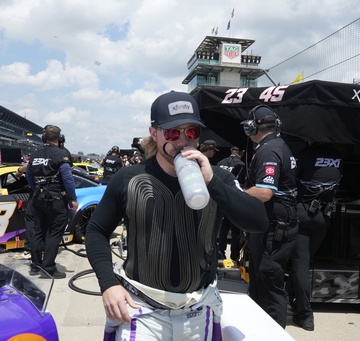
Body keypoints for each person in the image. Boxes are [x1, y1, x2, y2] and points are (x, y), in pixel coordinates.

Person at [85, 91, 268, 341]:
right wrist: (108, 283)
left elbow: (258, 222)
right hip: (143, 307)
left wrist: (213, 183)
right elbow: (96, 230)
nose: (183, 141)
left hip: (197, 307)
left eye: (191, 132)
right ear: (154, 133)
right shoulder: (128, 179)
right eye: (173, 133)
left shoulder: (219, 178)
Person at [242, 104, 299, 328]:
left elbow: (265, 192)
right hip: (274, 227)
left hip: (272, 231)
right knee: (260, 285)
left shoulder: (268, 150)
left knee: (269, 287)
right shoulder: (278, 145)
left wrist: (234, 195)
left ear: (252, 127)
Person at [286, 140, 342, 331]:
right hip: (323, 217)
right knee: (304, 262)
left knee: (300, 264)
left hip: (303, 215)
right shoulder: (337, 156)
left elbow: (290, 182)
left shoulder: (303, 154)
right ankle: (288, 296)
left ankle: (305, 315)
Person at [25, 125, 79, 279]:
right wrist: (73, 198)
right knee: (54, 233)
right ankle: (48, 267)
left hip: (38, 198)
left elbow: (28, 175)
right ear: (59, 138)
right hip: (55, 199)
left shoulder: (34, 154)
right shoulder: (61, 154)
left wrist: (37, 188)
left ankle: (35, 265)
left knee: (38, 231)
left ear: (44, 138)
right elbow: (68, 179)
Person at [217, 146, 246, 261]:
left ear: (230, 151)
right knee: (235, 228)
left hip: (219, 197)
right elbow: (242, 183)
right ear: (242, 152)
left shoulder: (220, 162)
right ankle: (234, 256)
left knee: (223, 225)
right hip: (234, 199)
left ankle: (220, 250)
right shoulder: (242, 166)